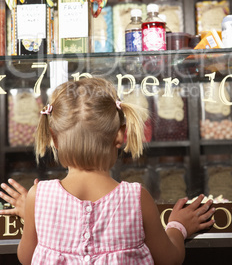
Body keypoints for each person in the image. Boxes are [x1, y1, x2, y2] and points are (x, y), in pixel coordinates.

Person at [0, 77, 215, 265]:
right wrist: (178, 227)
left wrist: (33, 214)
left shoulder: (38, 197)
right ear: (120, 136)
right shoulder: (136, 198)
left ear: (54, 139)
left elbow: (27, 257)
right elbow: (169, 259)